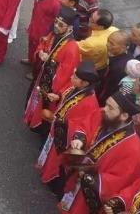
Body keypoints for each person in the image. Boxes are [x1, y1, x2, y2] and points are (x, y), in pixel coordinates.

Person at [60, 92, 140, 214]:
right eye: (106, 104)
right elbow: (86, 124)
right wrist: (80, 139)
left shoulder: (133, 149)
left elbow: (119, 180)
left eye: (110, 107)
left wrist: (88, 178)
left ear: (124, 115)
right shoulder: (105, 115)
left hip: (90, 187)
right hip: (79, 174)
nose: (104, 109)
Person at [37, 61, 101, 191]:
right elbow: (66, 93)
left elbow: (81, 126)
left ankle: (54, 185)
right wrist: (58, 96)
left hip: (66, 138)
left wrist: (56, 120)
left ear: (85, 83)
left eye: (75, 77)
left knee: (58, 162)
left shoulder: (90, 103)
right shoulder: (77, 87)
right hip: (58, 127)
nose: (71, 78)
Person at [24, 8, 81, 133]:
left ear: (70, 28)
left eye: (61, 25)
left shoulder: (72, 48)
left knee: (45, 109)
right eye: (56, 22)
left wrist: (48, 60)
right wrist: (40, 52)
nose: (56, 26)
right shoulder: (54, 34)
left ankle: (40, 128)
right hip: (42, 77)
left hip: (53, 86)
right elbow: (42, 44)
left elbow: (66, 75)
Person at [23, 0, 61, 70]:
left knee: (39, 51)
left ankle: (34, 70)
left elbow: (56, 21)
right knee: (31, 45)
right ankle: (30, 60)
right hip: (34, 26)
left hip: (43, 33)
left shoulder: (55, 2)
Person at [99, 30, 131, 104]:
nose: (107, 44)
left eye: (112, 44)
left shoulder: (119, 69)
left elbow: (109, 87)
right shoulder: (118, 54)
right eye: (108, 41)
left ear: (123, 47)